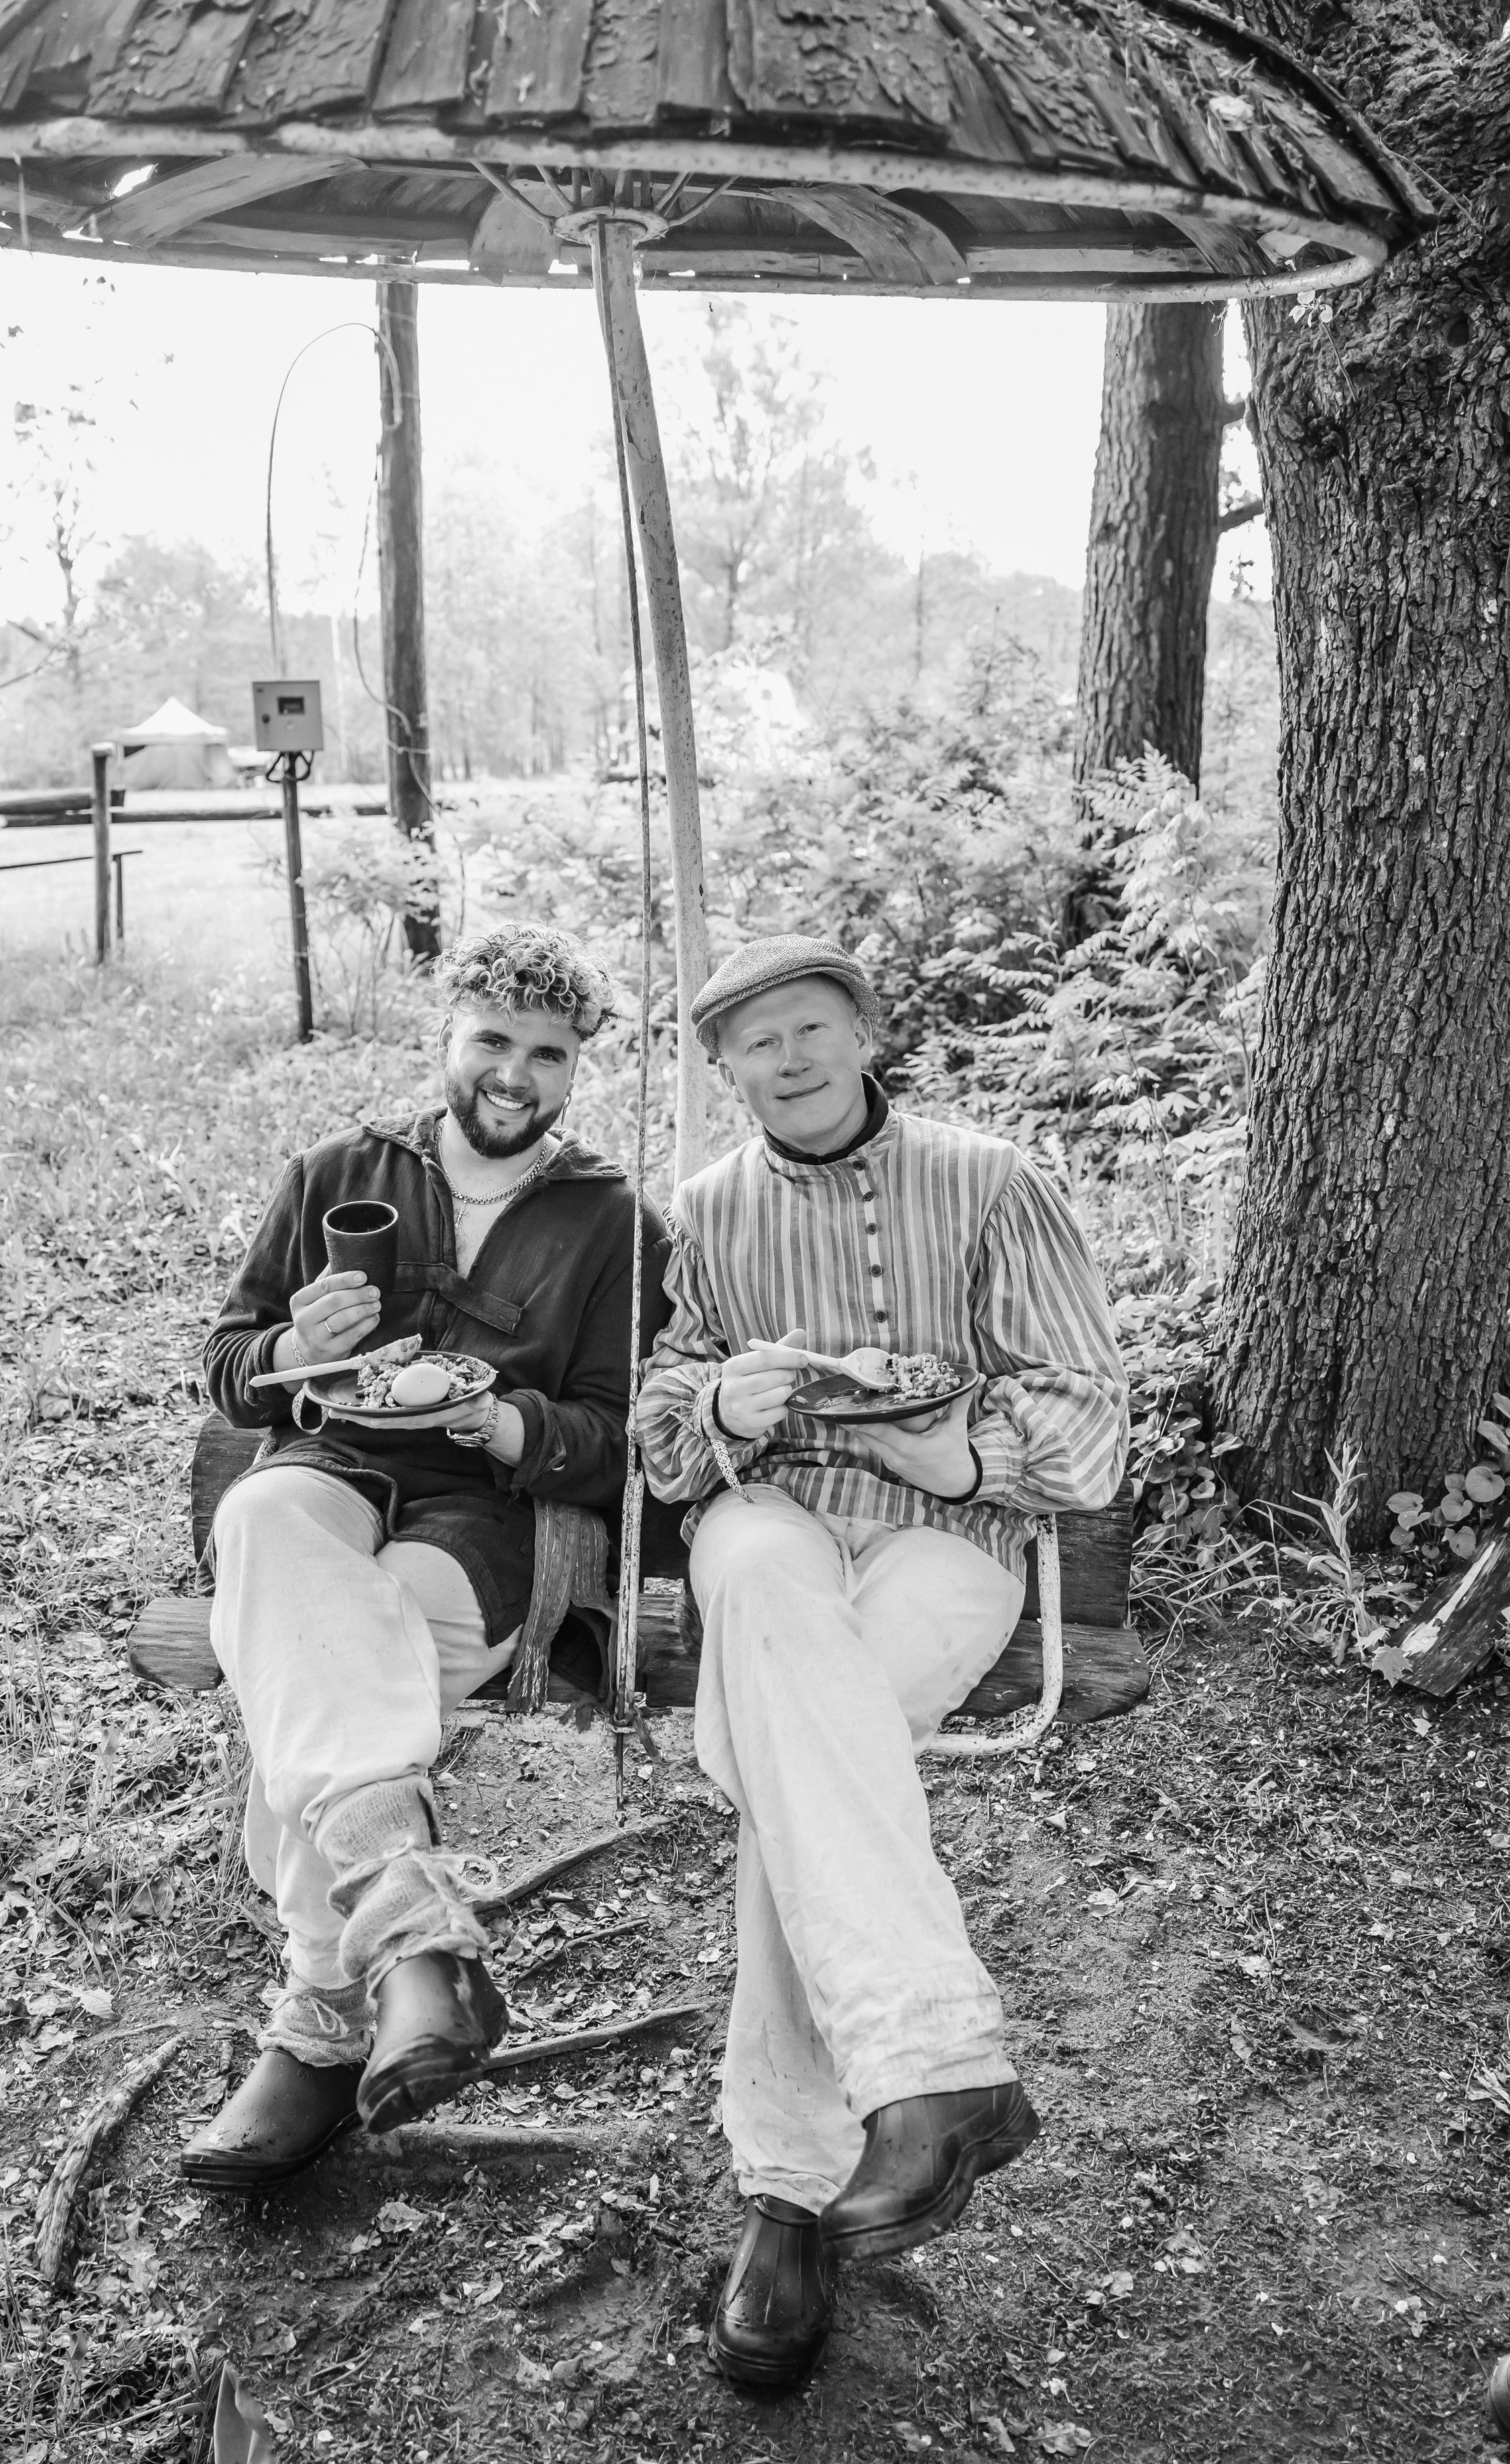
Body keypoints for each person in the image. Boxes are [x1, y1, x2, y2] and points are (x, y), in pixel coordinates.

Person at [636, 934, 1127, 2388]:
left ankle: (785, 2194)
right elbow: (662, 1439)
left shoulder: (990, 1179)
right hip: (767, 1517)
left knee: (787, 1762)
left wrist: (963, 1450)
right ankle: (931, 2066)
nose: (781, 1061)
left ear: (862, 1032)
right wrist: (721, 1402)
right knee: (778, 1623)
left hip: (945, 1536)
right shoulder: (706, 1213)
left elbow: (1087, 1407)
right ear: (721, 1071)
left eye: (806, 1029)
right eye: (749, 1044)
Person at [184, 923, 668, 2192]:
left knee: (340, 1651)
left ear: (580, 1070)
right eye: (493, 1042)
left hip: (495, 1524)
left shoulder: (615, 1221)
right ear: (447, 1038)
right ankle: (410, 1944)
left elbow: (621, 1439)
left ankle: (322, 2020)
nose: (514, 1076)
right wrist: (293, 1351)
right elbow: (231, 1372)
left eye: (547, 1055)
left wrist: (508, 1421)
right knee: (263, 1525)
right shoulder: (341, 1168)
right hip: (331, 1472)